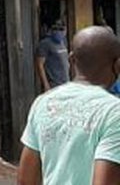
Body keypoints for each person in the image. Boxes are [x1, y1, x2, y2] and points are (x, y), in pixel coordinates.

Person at [18, 26, 120, 185]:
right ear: (117, 65)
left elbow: (26, 181)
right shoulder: (114, 113)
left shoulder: (43, 103)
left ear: (71, 59)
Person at [36, 20, 71, 92]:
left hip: (65, 83)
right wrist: (46, 84)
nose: (59, 32)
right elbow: (39, 64)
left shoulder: (63, 42)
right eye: (56, 29)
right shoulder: (45, 44)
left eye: (61, 29)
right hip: (54, 85)